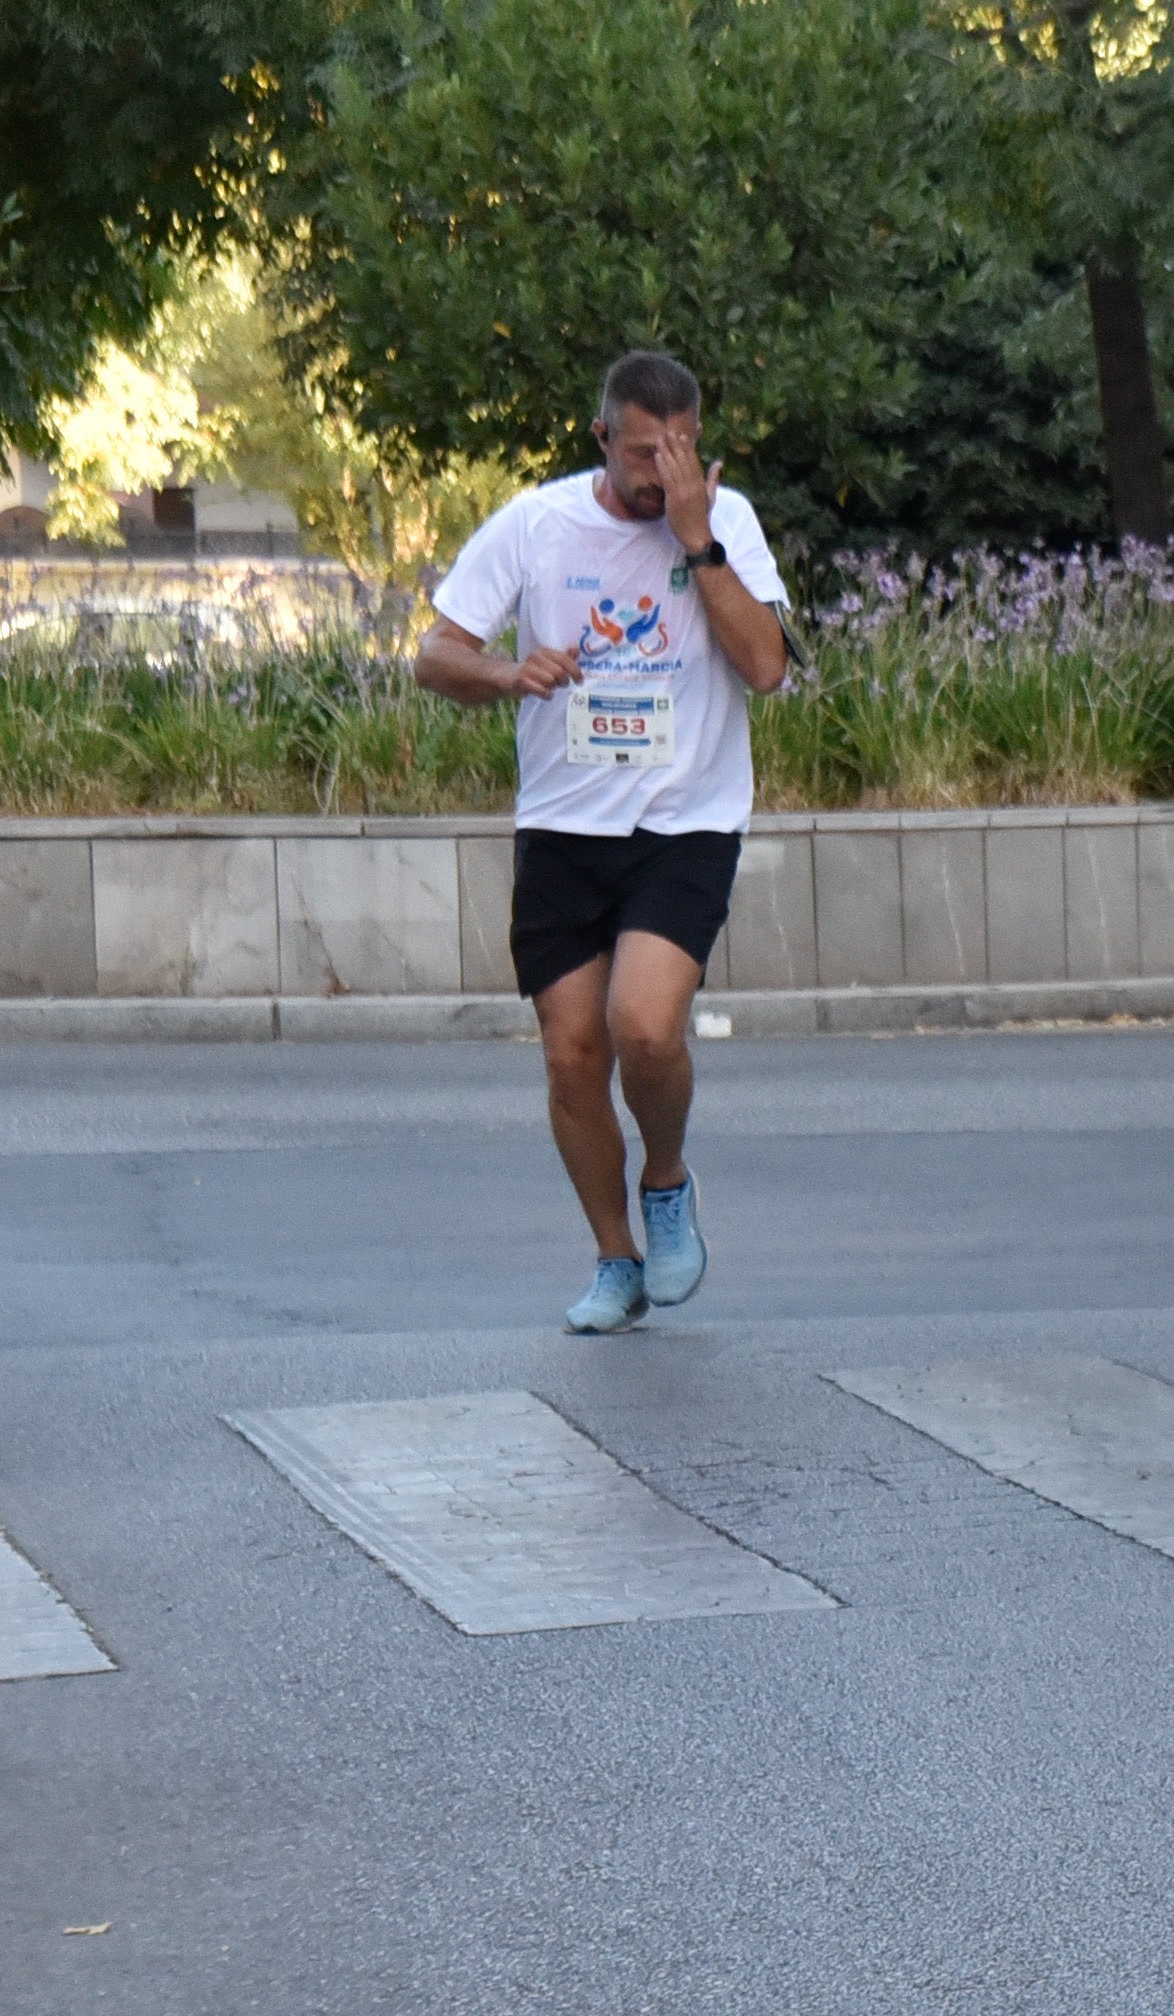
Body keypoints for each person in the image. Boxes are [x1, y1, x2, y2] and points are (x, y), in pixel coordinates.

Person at [415, 349, 790, 1333]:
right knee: (574, 1052)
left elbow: (766, 669)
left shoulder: (725, 519)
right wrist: (507, 675)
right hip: (563, 825)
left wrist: (697, 540)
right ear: (600, 439)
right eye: (639, 452)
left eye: (678, 449)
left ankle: (665, 1179)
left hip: (685, 820)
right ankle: (613, 1255)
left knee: (645, 1027)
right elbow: (434, 655)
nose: (658, 471)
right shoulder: (537, 525)